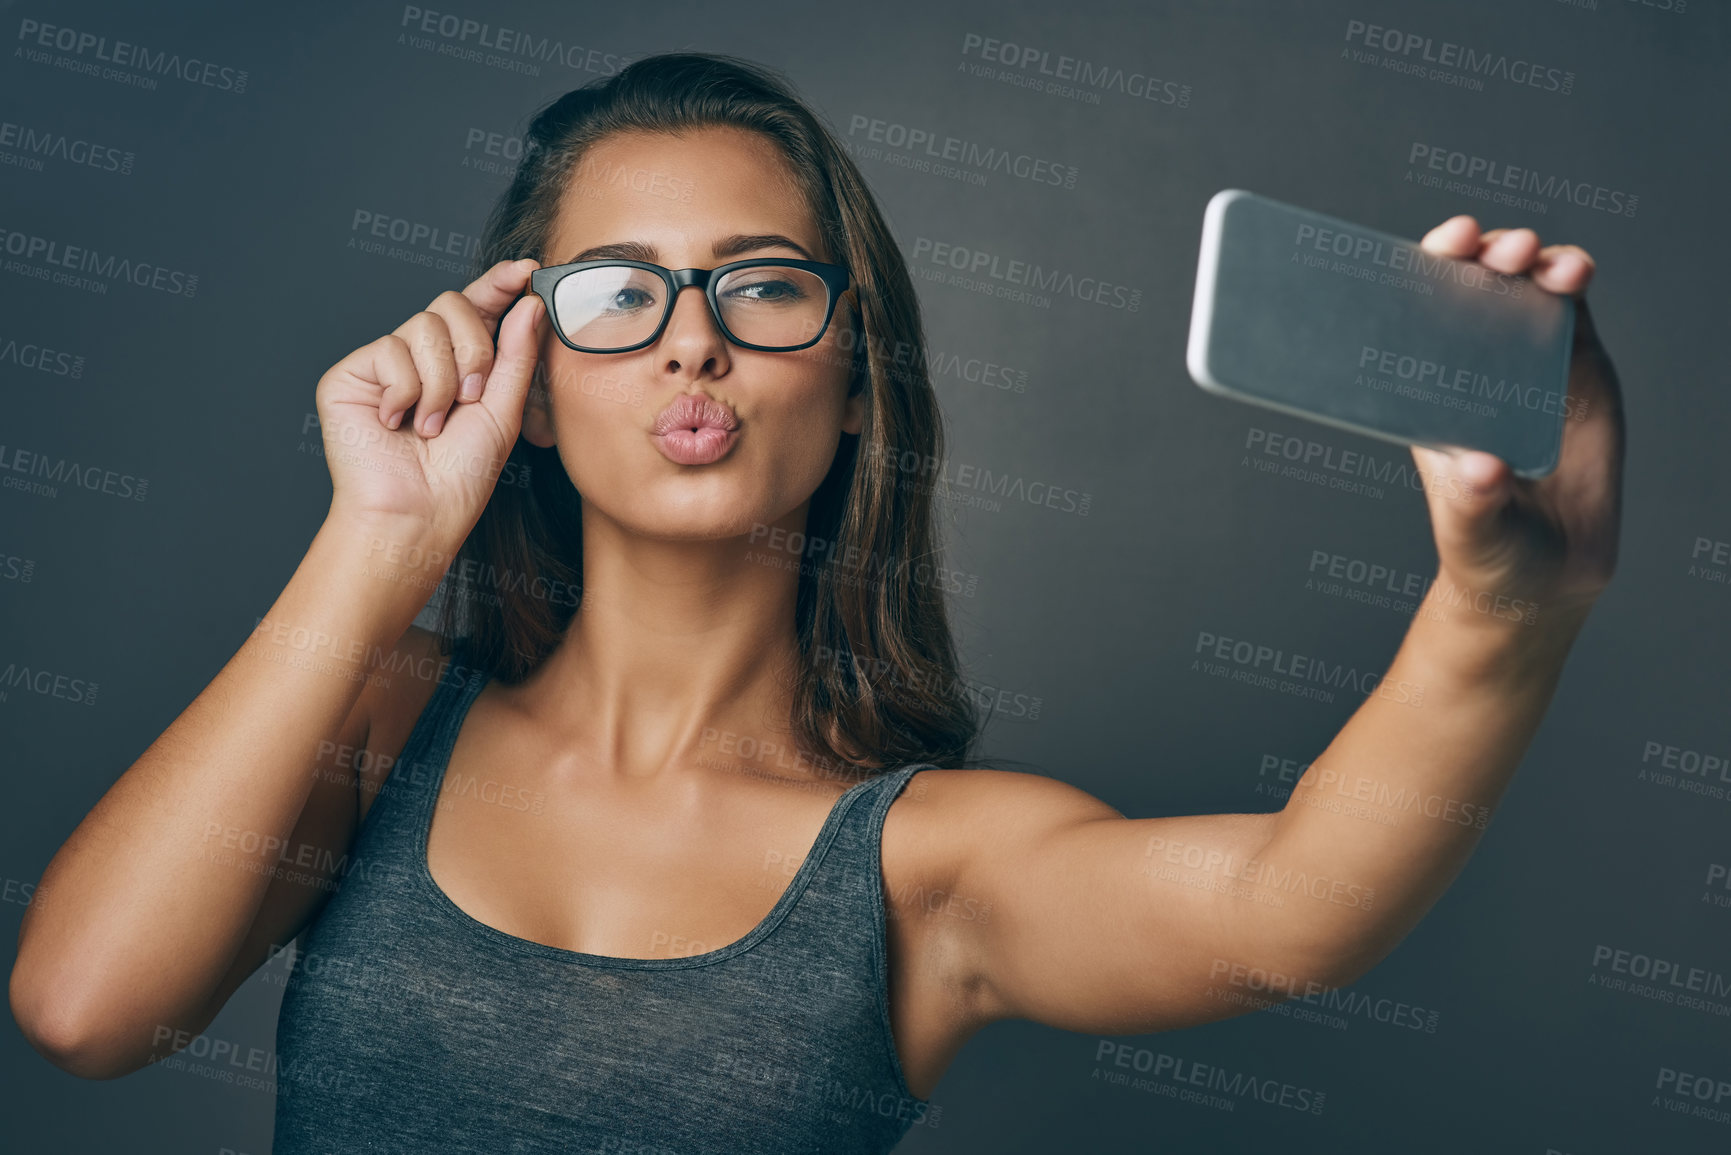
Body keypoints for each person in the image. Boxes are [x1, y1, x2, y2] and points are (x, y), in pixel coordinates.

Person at [9, 52, 1624, 1154]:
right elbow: (84, 1013)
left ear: (857, 381)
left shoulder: (925, 867)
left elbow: (1292, 911)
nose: (691, 342)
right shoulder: (371, 718)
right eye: (619, 293)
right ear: (536, 381)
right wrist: (378, 543)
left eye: (765, 284)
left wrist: (1508, 606)